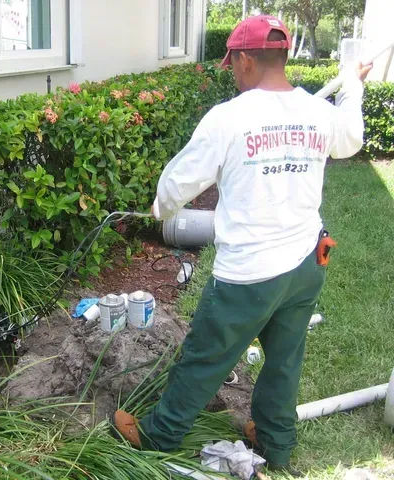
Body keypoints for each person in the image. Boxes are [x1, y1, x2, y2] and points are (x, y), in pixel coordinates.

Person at [111, 14, 372, 475]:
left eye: (233, 61)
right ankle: (276, 445)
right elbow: (349, 139)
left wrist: (160, 209)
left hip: (249, 274)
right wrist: (352, 86)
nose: (232, 70)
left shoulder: (229, 118)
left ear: (247, 60)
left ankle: (157, 434)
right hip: (306, 264)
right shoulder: (316, 112)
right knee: (285, 360)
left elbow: (176, 184)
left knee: (205, 357)